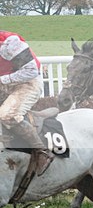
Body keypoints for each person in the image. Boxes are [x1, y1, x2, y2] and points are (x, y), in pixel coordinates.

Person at [0, 30, 54, 175]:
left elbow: (31, 71)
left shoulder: (11, 42)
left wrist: (3, 80)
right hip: (5, 84)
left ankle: (41, 151)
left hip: (27, 83)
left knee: (7, 115)